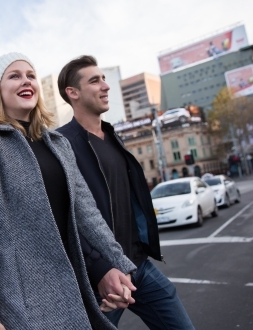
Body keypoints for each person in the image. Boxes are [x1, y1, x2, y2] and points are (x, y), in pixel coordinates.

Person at [0, 52, 137, 330]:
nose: (25, 81)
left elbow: (87, 213)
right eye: (14, 76)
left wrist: (119, 262)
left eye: (30, 75)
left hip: (73, 284)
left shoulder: (57, 142)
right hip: (23, 298)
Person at [57, 55, 195, 329]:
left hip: (138, 266)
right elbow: (62, 219)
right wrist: (99, 269)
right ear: (72, 93)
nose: (105, 86)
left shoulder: (113, 136)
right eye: (95, 81)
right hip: (102, 279)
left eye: (104, 79)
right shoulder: (61, 145)